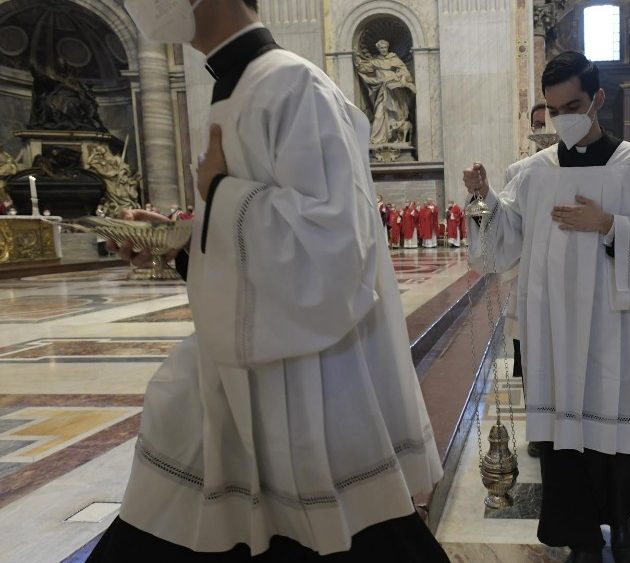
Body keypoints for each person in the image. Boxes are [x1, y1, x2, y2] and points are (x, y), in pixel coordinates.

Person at [91, 1, 447, 561]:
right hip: (236, 363)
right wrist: (179, 241)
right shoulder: (237, 85)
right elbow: (253, 238)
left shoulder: (293, 86)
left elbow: (335, 248)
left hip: (302, 381)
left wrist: (223, 195)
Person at [464, 51, 630, 563]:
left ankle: (623, 527)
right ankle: (582, 536)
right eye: (551, 108)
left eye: (573, 104)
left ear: (599, 100)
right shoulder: (529, 174)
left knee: (614, 430)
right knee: (563, 444)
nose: (561, 117)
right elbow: (501, 248)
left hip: (612, 328)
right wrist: (483, 203)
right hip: (549, 332)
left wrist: (611, 226)